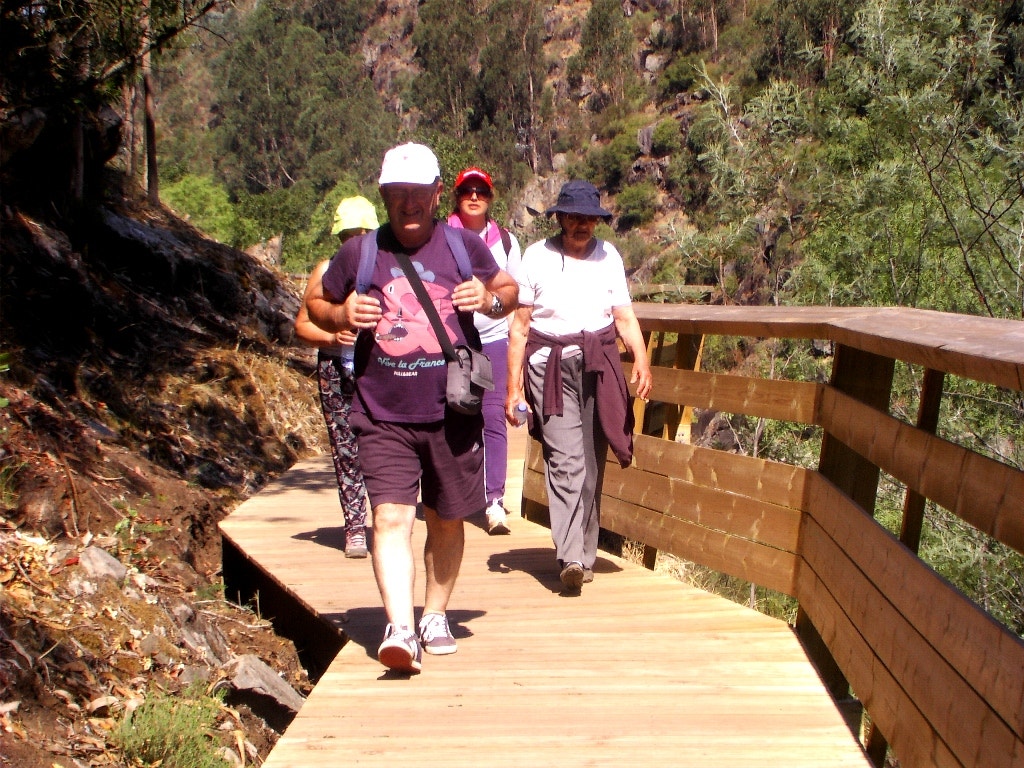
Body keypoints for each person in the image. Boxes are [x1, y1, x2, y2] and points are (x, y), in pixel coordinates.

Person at [307, 143, 519, 673]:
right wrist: (341, 311)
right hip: (382, 411)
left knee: (447, 518)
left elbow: (510, 290)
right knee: (391, 515)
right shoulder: (361, 253)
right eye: (396, 195)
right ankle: (400, 628)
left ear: (434, 193)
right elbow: (315, 303)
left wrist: (489, 301)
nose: (407, 204)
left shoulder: (463, 245)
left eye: (417, 194)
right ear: (384, 196)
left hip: (453, 411)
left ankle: (435, 614)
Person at [506, 180, 653, 594]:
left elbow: (623, 316)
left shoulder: (609, 257)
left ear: (597, 221)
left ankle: (585, 556)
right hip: (548, 365)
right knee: (565, 459)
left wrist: (640, 358)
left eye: (589, 218)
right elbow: (519, 326)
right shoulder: (536, 257)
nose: (581, 225)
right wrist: (512, 388)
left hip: (599, 364)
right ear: (559, 218)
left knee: (590, 464)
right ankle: (569, 555)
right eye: (573, 217)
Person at [293, 195, 379, 558]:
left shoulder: (384, 269)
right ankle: (355, 527)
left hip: (376, 368)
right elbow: (300, 326)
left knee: (381, 448)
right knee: (345, 449)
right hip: (334, 370)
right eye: (348, 234)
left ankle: (389, 522)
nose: (354, 241)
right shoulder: (325, 271)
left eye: (362, 234)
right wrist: (331, 335)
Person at [447, 167, 521, 536]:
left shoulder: (505, 243)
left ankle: (494, 502)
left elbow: (516, 300)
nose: (474, 197)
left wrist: (516, 369)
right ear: (456, 196)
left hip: (492, 340)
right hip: (450, 342)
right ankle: (453, 496)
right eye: (466, 191)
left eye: (482, 191)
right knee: (455, 420)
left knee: (493, 420)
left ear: (491, 197)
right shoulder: (439, 236)